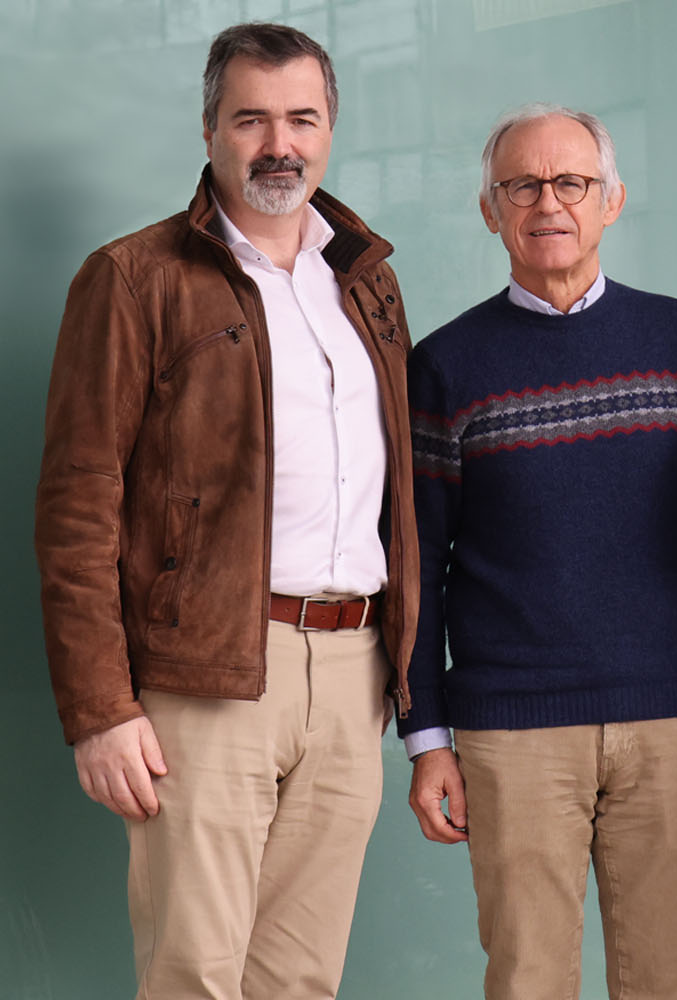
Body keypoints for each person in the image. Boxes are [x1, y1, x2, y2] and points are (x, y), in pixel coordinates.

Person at [34, 21, 417, 999]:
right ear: (210, 130)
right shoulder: (133, 278)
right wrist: (99, 710)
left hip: (349, 672)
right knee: (194, 973)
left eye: (301, 118)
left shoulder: (365, 280)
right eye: (251, 118)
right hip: (202, 679)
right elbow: (79, 504)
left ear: (330, 129)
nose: (277, 143)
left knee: (298, 977)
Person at [399, 103, 677, 1000]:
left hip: (672, 718)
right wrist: (426, 737)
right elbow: (418, 564)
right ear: (490, 210)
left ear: (613, 200)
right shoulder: (445, 364)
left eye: (572, 182)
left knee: (670, 978)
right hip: (510, 728)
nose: (547, 202)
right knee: (527, 980)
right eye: (521, 184)